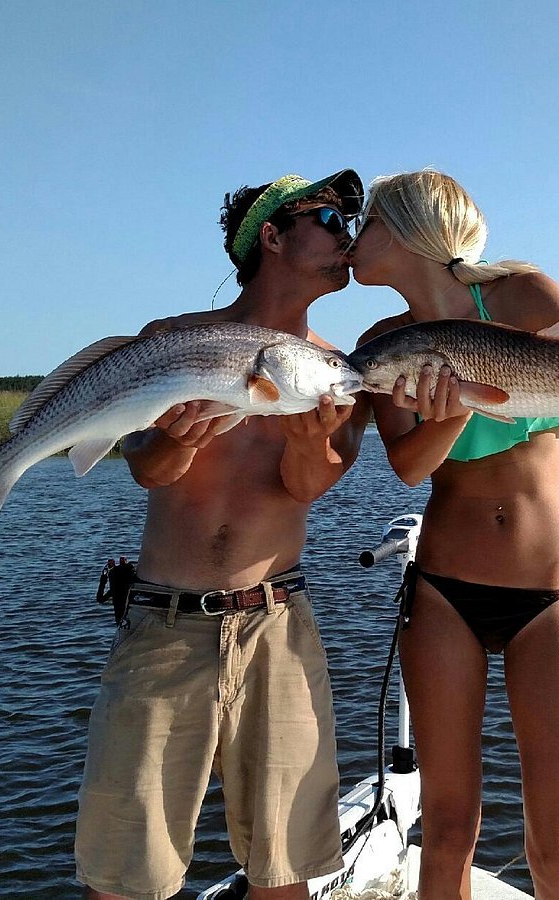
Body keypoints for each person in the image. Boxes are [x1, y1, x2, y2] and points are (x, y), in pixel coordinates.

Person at [349, 170, 559, 899]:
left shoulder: (522, 294)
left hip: (550, 597)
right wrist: (448, 406)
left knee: (558, 847)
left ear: (411, 229)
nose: (353, 238)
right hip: (444, 594)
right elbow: (410, 466)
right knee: (446, 831)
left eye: (368, 221)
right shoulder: (380, 343)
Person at [75, 169, 370, 900]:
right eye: (330, 221)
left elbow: (309, 485)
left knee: (285, 872)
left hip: (276, 624)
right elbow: (146, 467)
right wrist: (178, 442)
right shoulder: (170, 342)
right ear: (271, 236)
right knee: (126, 875)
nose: (348, 238)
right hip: (161, 624)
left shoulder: (338, 372)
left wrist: (309, 440)